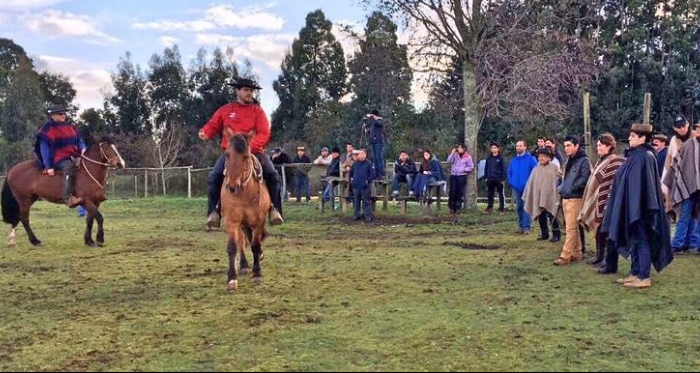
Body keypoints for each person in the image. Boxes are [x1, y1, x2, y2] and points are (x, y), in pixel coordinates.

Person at [199, 77, 283, 229]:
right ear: (237, 91)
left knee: (272, 174)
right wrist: (205, 132)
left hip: (255, 152)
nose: (249, 93)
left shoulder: (257, 111)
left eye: (251, 90)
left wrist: (250, 147)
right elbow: (213, 124)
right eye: (246, 90)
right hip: (230, 154)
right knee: (213, 177)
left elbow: (264, 133)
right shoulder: (225, 110)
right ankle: (214, 212)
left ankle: (274, 209)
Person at [601, 123, 673, 289]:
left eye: (633, 136)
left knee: (642, 240)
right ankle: (634, 273)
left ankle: (644, 276)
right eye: (630, 135)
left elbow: (646, 187)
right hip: (631, 207)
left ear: (642, 138)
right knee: (633, 240)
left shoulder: (646, 156)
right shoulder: (634, 155)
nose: (629, 139)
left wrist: (638, 207)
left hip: (641, 208)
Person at [578, 133, 625, 272]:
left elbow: (611, 182)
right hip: (600, 200)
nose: (597, 148)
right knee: (600, 229)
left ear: (609, 146)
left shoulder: (615, 161)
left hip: (609, 200)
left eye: (600, 145)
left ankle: (607, 259)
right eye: (597, 145)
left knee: (607, 230)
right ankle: (600, 255)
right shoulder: (600, 160)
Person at [35, 105, 86, 207]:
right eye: (60, 113)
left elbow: (79, 140)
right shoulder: (47, 129)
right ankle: (68, 198)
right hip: (59, 159)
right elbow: (44, 149)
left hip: (75, 156)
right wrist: (48, 166)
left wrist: (84, 148)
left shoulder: (70, 127)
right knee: (69, 168)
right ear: (52, 115)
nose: (63, 115)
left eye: (64, 113)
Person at [553, 135, 591, 266]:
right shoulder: (571, 160)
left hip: (575, 197)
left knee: (571, 228)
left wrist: (571, 187)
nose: (566, 148)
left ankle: (566, 255)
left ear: (576, 146)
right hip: (568, 196)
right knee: (572, 227)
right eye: (565, 146)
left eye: (569, 145)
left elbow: (585, 177)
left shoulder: (583, 160)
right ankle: (577, 252)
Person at [523, 147, 561, 242]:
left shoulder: (554, 168)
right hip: (539, 196)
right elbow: (531, 183)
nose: (541, 158)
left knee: (552, 215)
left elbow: (560, 180)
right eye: (539, 156)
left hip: (551, 196)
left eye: (543, 156)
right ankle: (544, 233)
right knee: (541, 215)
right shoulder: (536, 169)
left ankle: (556, 234)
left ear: (549, 157)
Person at [507, 140, 538, 234]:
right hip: (516, 188)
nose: (518, 148)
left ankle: (526, 227)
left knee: (526, 207)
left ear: (525, 147)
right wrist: (512, 182)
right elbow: (509, 172)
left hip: (527, 188)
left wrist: (530, 184)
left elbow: (535, 172)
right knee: (519, 207)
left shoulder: (531, 159)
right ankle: (521, 226)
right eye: (517, 146)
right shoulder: (513, 160)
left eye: (520, 146)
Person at [349, 149, 376, 222]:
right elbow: (351, 173)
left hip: (365, 186)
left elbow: (373, 174)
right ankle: (356, 215)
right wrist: (352, 180)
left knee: (366, 201)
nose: (360, 155)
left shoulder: (369, 163)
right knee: (356, 201)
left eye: (362, 153)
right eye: (359, 153)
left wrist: (367, 181)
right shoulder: (355, 163)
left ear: (365, 154)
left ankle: (367, 216)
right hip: (356, 186)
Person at [447, 144, 474, 213]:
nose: (459, 149)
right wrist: (452, 153)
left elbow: (471, 166)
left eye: (460, 148)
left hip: (462, 176)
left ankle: (458, 207)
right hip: (453, 175)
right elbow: (449, 161)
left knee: (459, 192)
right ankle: (451, 207)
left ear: (464, 149)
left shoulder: (468, 157)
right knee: (452, 191)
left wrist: (464, 169)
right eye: (458, 147)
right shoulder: (455, 155)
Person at [484, 142, 507, 214]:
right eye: (492, 148)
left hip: (498, 179)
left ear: (498, 149)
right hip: (490, 179)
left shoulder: (501, 159)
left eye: (494, 147)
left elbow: (503, 169)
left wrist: (502, 178)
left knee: (500, 194)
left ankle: (502, 208)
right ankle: (489, 207)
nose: (493, 149)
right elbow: (486, 168)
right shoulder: (489, 158)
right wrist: (486, 177)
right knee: (490, 194)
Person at [366, 109, 385, 178]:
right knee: (375, 158)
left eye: (372, 115)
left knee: (379, 158)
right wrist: (368, 131)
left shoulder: (380, 121)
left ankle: (381, 174)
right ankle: (376, 173)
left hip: (378, 142)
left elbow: (377, 124)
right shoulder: (374, 123)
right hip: (373, 142)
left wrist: (371, 117)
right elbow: (373, 132)